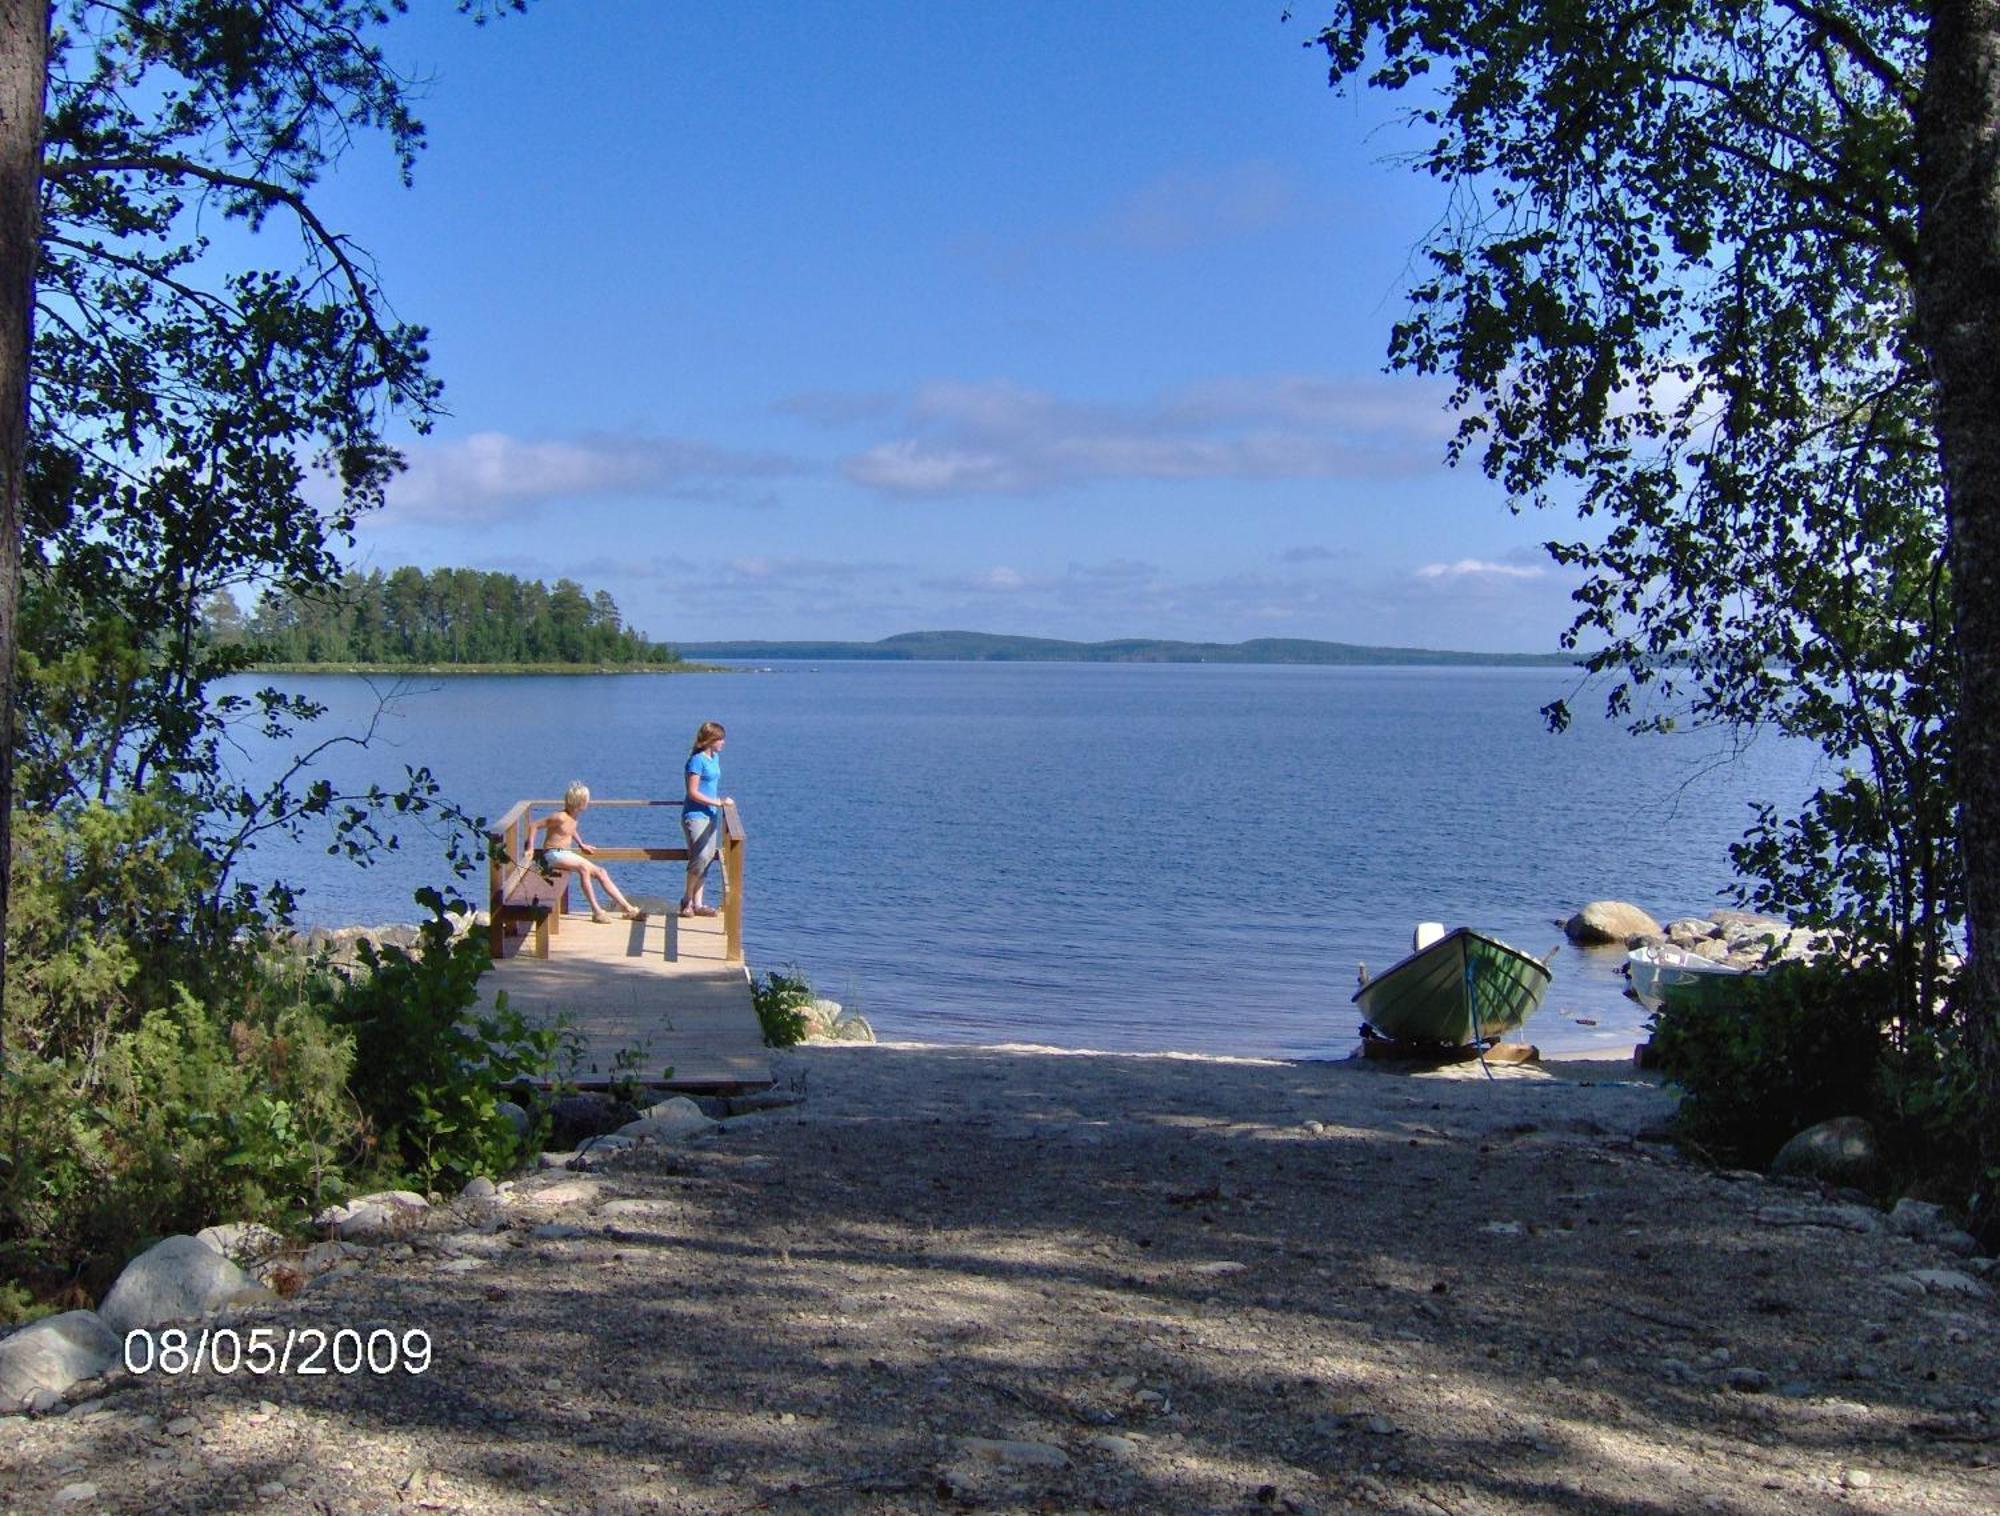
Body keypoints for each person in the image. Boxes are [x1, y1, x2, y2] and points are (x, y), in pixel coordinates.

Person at [527, 781, 646, 923]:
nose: (588, 802)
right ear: (579, 801)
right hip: (552, 854)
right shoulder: (559, 817)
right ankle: (596, 911)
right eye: (586, 800)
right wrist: (530, 848)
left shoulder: (573, 817)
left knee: (601, 872)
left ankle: (628, 908)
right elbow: (534, 825)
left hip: (565, 853)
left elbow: (571, 829)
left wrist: (581, 844)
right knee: (583, 869)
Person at [681, 721, 733, 918]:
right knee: (700, 857)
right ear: (710, 740)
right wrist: (718, 802)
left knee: (708, 858)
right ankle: (686, 900)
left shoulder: (715, 758)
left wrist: (717, 806)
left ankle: (698, 903)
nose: (723, 743)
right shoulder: (697, 760)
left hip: (711, 815)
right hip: (695, 816)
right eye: (720, 739)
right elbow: (692, 792)